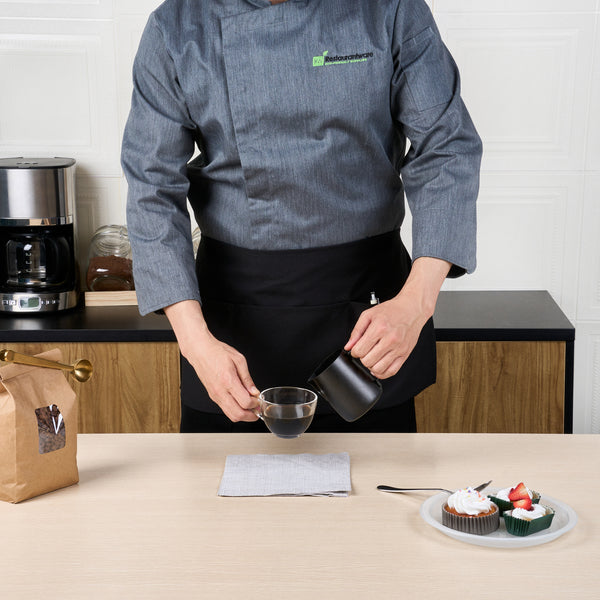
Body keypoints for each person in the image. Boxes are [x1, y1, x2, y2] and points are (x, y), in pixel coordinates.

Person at [121, 0, 482, 433]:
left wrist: (415, 304)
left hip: (371, 318)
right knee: (225, 478)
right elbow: (152, 189)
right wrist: (196, 345)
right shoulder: (175, 28)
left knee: (376, 476)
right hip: (229, 334)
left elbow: (447, 149)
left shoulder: (392, 9)